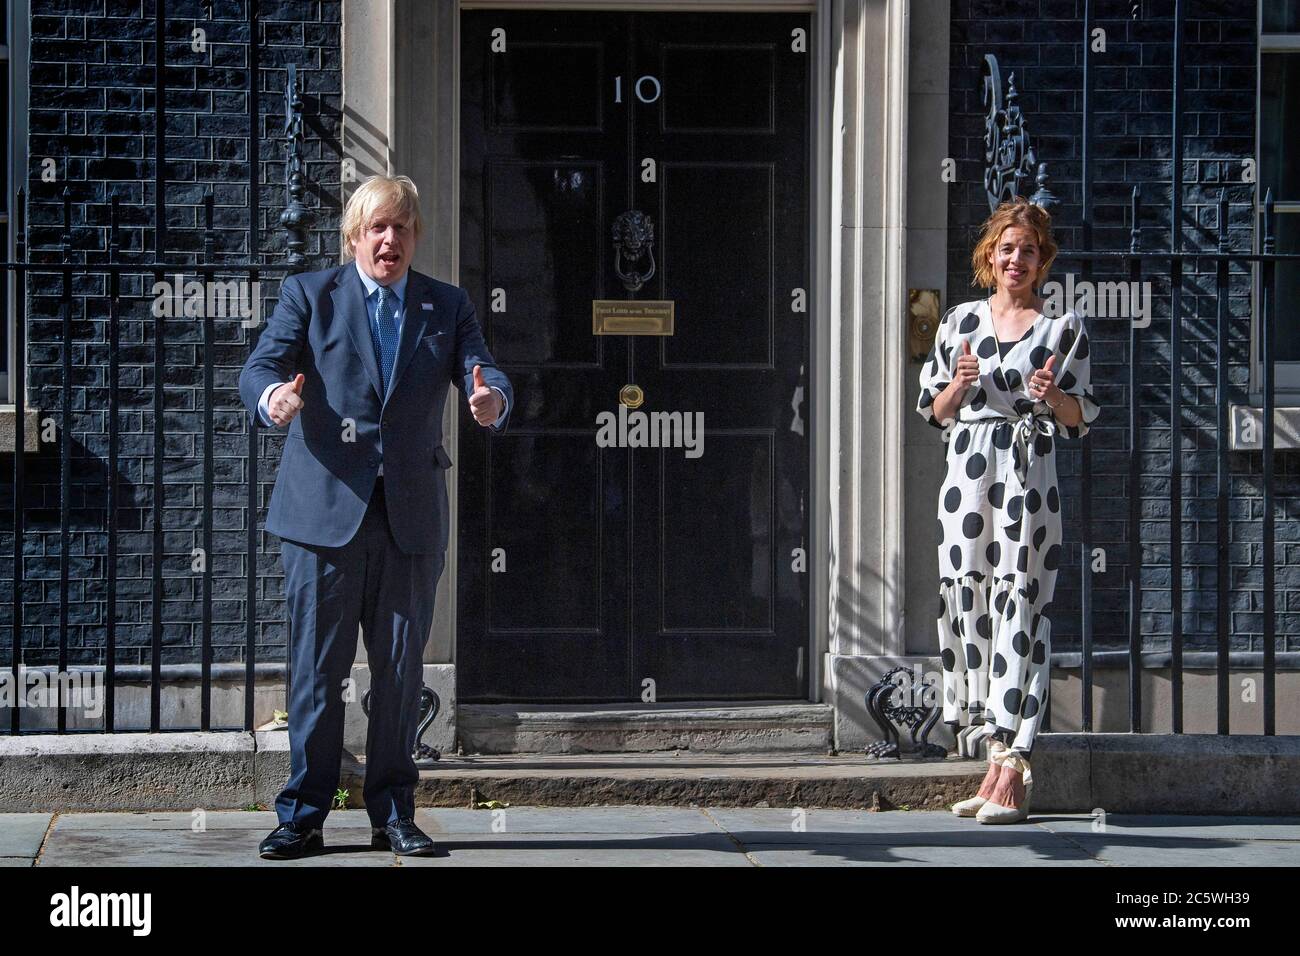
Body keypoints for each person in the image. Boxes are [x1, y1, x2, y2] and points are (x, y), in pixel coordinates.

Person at [239, 174, 513, 858]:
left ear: (415, 236)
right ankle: (304, 812)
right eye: (377, 228)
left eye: (402, 228)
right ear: (355, 235)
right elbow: (260, 366)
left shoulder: (445, 306)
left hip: (409, 518)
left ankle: (394, 812)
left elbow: (486, 371)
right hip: (321, 517)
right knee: (315, 671)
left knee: (399, 672)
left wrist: (492, 402)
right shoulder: (312, 295)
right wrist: (275, 396)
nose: (390, 240)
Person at [915, 197, 1100, 824]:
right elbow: (933, 412)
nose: (1015, 259)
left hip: (1026, 477)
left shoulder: (1062, 329)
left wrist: (1053, 400)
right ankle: (992, 764)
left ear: (1042, 260)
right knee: (974, 606)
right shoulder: (959, 322)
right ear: (988, 257)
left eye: (1027, 250)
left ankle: (1016, 773)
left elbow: (1084, 417)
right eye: (1005, 248)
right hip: (966, 479)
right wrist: (959, 386)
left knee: (1019, 603)